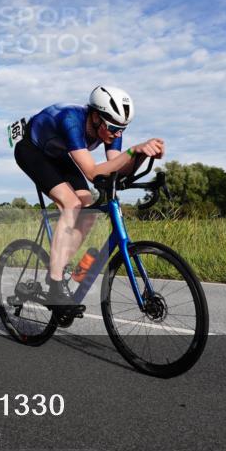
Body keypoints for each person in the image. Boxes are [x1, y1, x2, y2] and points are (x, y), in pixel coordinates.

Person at [13, 86, 164, 307]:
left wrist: (140, 156)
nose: (117, 134)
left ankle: (58, 265)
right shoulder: (71, 120)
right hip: (32, 150)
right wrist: (132, 151)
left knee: (89, 210)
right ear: (95, 116)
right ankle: (55, 284)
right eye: (113, 127)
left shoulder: (111, 129)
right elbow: (93, 173)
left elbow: (115, 168)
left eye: (123, 128)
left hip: (58, 154)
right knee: (71, 204)